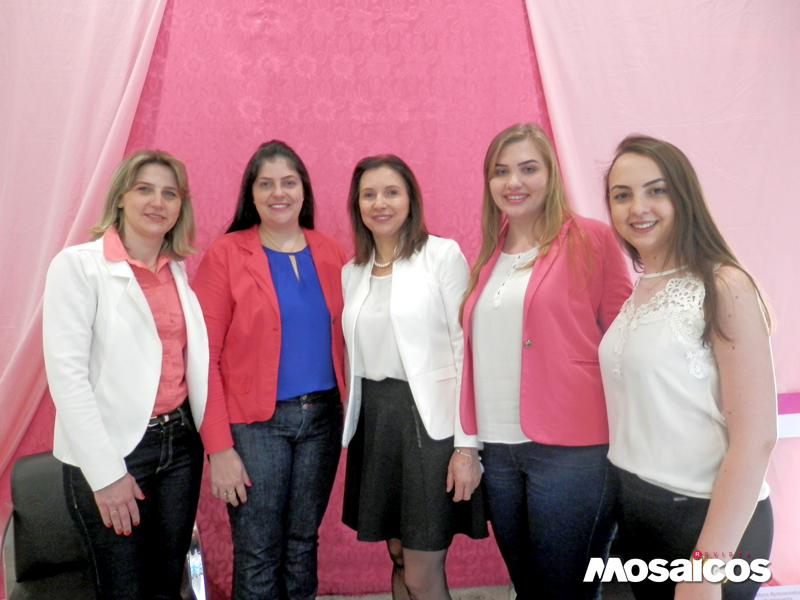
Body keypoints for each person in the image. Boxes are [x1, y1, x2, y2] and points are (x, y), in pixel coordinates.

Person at [458, 123, 632, 599]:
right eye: (501, 171)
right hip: (500, 449)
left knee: (566, 589)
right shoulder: (489, 257)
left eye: (527, 169)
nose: (513, 182)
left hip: (572, 449)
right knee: (529, 587)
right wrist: (468, 444)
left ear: (550, 174)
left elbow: (625, 341)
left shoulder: (592, 239)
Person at [599, 135, 776, 600]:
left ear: (684, 196)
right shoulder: (641, 287)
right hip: (638, 513)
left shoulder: (723, 285)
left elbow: (756, 437)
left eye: (656, 190)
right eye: (622, 195)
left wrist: (705, 567)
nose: (639, 206)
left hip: (708, 522)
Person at [43, 150, 207, 600]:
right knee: (123, 590)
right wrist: (106, 474)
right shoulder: (77, 266)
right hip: (113, 453)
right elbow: (68, 379)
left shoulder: (177, 271)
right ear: (120, 198)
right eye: (144, 189)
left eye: (169, 193)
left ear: (180, 207)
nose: (158, 202)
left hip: (179, 447)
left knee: (165, 585)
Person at [192, 140, 346, 600]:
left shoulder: (329, 249)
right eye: (266, 184)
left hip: (322, 418)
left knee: (302, 544)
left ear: (304, 191)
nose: (279, 193)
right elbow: (204, 358)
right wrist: (219, 448)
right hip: (255, 426)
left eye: (289, 182)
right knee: (259, 550)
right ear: (251, 194)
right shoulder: (225, 254)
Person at [341, 155, 487, 600]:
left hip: (430, 425)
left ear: (410, 200)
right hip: (376, 424)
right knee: (399, 555)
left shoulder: (440, 256)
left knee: (423, 571)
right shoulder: (353, 272)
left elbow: (467, 349)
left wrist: (468, 446)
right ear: (357, 205)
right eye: (369, 194)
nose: (379, 203)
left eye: (391, 192)